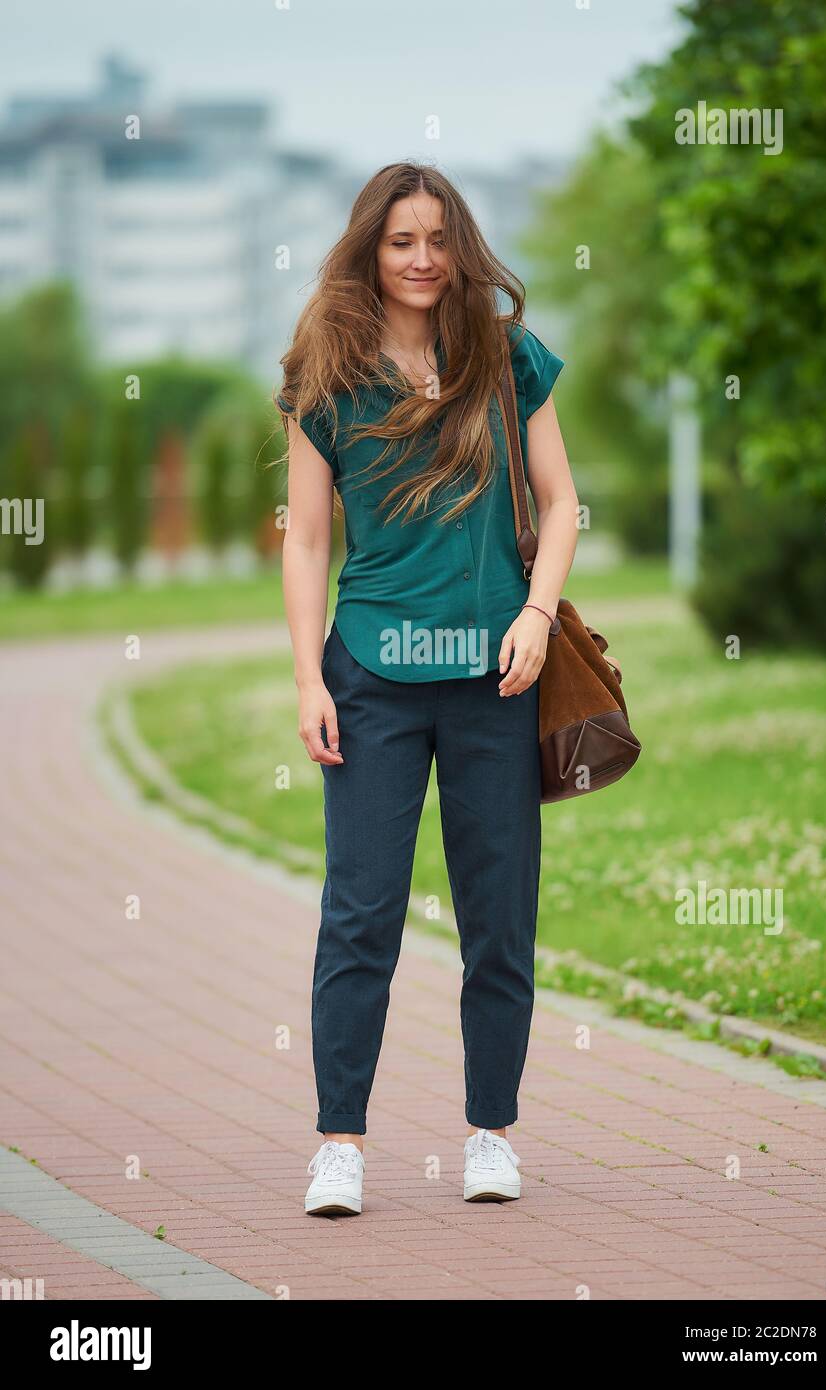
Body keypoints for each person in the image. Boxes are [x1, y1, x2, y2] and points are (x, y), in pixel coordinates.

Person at [276, 161, 577, 1215]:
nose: (420, 258)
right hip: (371, 677)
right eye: (400, 240)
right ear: (371, 250)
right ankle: (340, 1146)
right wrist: (309, 673)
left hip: (496, 677)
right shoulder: (325, 373)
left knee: (499, 915)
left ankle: (490, 1133)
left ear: (460, 248)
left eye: (437, 239)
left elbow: (563, 502)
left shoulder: (504, 357)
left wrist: (537, 614)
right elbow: (308, 538)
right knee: (359, 916)